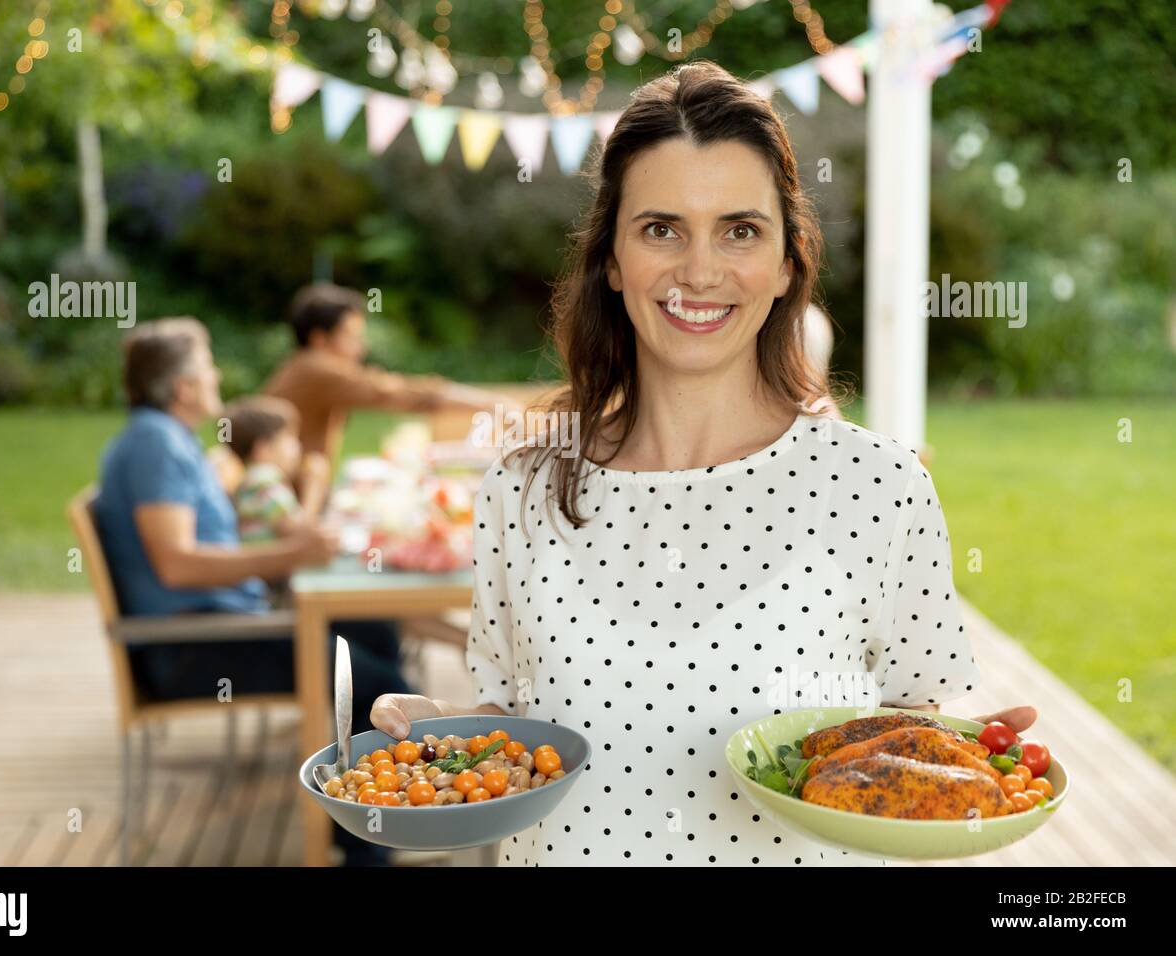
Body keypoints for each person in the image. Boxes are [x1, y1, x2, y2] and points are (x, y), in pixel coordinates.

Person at [368, 61, 1036, 866]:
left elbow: (905, 737)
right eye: (661, 228)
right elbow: (512, 725)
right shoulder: (522, 488)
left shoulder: (880, 487)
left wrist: (968, 767)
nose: (700, 270)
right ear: (610, 260)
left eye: (740, 230)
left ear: (788, 260)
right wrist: (441, 739)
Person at [93, 317, 411, 865]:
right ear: (183, 388)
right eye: (207, 367)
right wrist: (289, 555)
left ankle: (362, 825)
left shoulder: (167, 439)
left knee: (376, 633)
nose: (216, 375)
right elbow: (177, 565)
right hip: (192, 646)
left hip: (222, 623)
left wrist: (287, 539)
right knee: (372, 684)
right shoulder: (155, 446)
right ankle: (363, 849)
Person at [263, 282, 520, 470]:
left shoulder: (302, 367)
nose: (361, 347)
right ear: (319, 338)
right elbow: (394, 392)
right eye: (351, 337)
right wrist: (490, 403)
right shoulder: (318, 369)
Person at [224, 395, 329, 545]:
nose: (298, 446)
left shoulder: (252, 479)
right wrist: (314, 487)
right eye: (290, 438)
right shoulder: (263, 479)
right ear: (263, 449)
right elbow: (298, 532)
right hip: (268, 566)